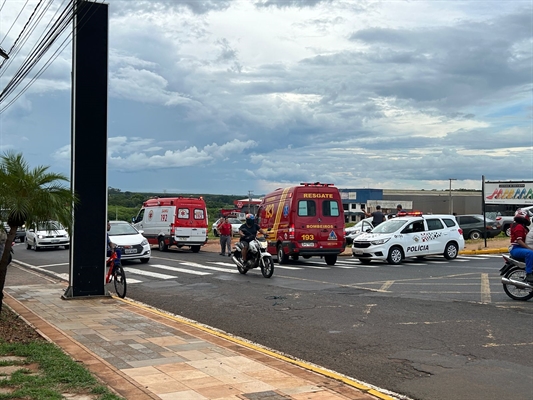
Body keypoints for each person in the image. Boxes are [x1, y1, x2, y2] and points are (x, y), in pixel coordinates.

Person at [509, 209, 533, 283]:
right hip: (516, 248)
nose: (529, 219)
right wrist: (529, 248)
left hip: (519, 248)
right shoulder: (519, 226)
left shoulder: (523, 227)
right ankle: (529, 273)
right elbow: (519, 241)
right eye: (528, 217)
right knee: (530, 253)